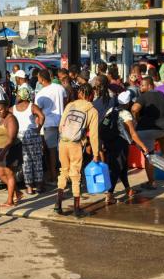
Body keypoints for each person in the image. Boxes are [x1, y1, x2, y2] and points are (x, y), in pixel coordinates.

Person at [55, 84, 100, 217]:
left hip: (63, 143)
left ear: (80, 93)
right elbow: (94, 135)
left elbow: (60, 127)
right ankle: (76, 208)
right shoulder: (92, 111)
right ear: (91, 95)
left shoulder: (70, 105)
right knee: (75, 175)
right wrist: (96, 154)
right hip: (75, 145)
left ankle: (58, 204)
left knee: (63, 172)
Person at [103, 91, 149, 203]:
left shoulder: (110, 111)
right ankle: (109, 195)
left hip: (109, 143)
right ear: (128, 103)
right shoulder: (125, 114)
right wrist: (143, 146)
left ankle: (128, 190)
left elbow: (104, 126)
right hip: (120, 144)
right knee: (116, 168)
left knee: (122, 167)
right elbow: (133, 133)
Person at [131, 77, 164, 190]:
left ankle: (151, 182)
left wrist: (137, 119)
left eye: (142, 85)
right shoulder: (162, 95)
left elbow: (134, 109)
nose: (140, 87)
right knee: (162, 136)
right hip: (162, 128)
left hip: (146, 130)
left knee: (149, 157)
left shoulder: (144, 96)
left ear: (149, 85)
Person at [35, 69, 67, 185]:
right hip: (62, 122)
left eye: (38, 78)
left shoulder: (41, 93)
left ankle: (54, 177)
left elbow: (37, 111)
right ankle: (65, 175)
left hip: (49, 124)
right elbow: (65, 100)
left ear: (42, 80)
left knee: (52, 151)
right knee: (63, 150)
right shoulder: (59, 87)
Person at [11, 87, 45, 195]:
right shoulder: (32, 106)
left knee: (26, 163)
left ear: (20, 96)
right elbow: (42, 116)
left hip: (20, 136)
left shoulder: (13, 108)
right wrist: (38, 128)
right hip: (32, 134)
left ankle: (29, 188)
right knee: (37, 161)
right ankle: (39, 187)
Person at [0, 100, 23, 208]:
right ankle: (17, 192)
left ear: (7, 108)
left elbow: (11, 139)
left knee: (9, 174)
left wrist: (3, 153)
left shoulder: (11, 119)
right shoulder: (1, 118)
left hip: (9, 150)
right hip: (1, 149)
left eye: (1, 109)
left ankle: (10, 201)